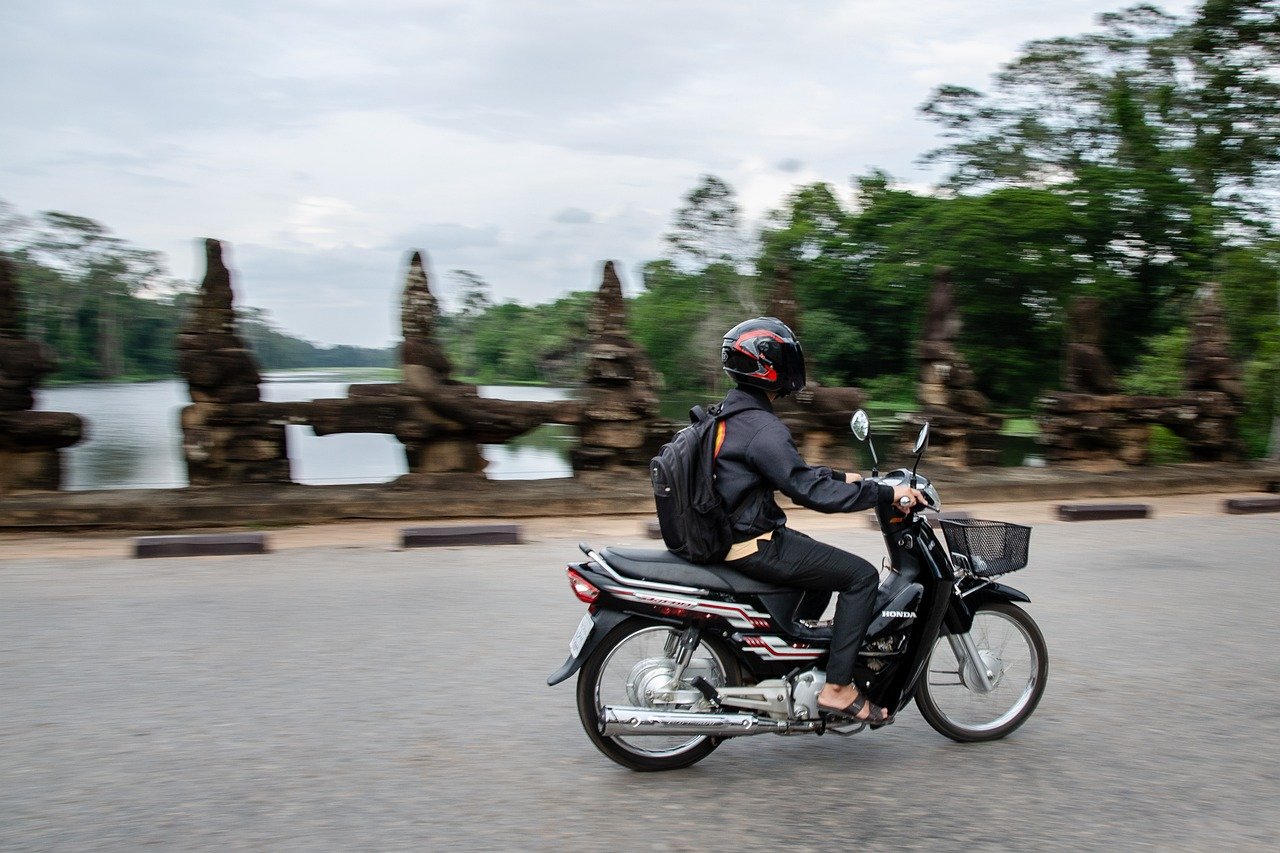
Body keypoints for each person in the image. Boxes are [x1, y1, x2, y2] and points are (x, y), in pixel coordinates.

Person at [713, 317, 924, 724]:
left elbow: (789, 471)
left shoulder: (733, 413)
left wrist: (841, 476)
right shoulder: (762, 427)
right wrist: (885, 493)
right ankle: (838, 688)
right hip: (751, 542)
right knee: (860, 576)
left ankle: (791, 663)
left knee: (820, 575)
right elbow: (808, 491)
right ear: (768, 366)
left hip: (735, 533)